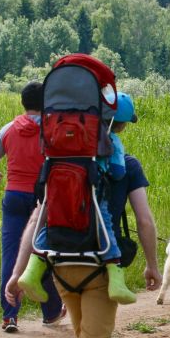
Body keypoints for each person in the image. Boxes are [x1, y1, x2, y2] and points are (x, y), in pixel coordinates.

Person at [6, 152, 160, 338]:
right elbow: (144, 221)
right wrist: (152, 265)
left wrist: (17, 272)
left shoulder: (57, 162)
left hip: (61, 267)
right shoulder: (127, 165)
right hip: (100, 268)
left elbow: (36, 219)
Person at [18, 93, 138, 305]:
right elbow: (119, 172)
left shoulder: (74, 130)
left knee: (53, 222)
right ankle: (116, 278)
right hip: (91, 191)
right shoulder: (112, 140)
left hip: (61, 190)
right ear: (119, 124)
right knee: (106, 227)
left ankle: (31, 271)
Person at [0, 81, 64, 333]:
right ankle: (50, 312)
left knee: (11, 254)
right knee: (42, 253)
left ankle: (9, 316)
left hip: (14, 196)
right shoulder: (52, 130)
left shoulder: (8, 129)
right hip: (44, 200)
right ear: (46, 104)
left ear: (22, 102)